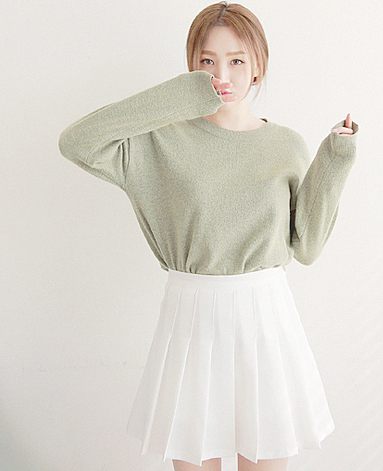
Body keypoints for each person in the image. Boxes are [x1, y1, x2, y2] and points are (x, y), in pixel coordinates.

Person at [58, 2, 358, 470]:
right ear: (191, 68)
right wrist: (183, 99)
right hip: (192, 316)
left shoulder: (285, 145)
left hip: (264, 318)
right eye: (207, 61)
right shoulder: (161, 141)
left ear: (258, 66)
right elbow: (76, 143)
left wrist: (336, 159)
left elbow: (307, 246)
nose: (223, 75)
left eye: (237, 60)